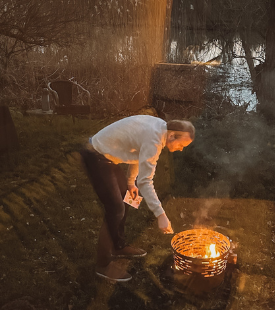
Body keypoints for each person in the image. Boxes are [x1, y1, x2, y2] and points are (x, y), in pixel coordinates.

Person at [80, 115, 195, 283]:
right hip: (96, 156)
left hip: (108, 158)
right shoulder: (154, 140)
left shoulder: (159, 129)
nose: (181, 149)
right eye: (181, 144)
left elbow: (137, 154)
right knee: (115, 209)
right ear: (171, 136)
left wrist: (130, 182)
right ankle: (103, 265)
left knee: (126, 198)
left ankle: (118, 246)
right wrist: (160, 215)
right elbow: (146, 181)